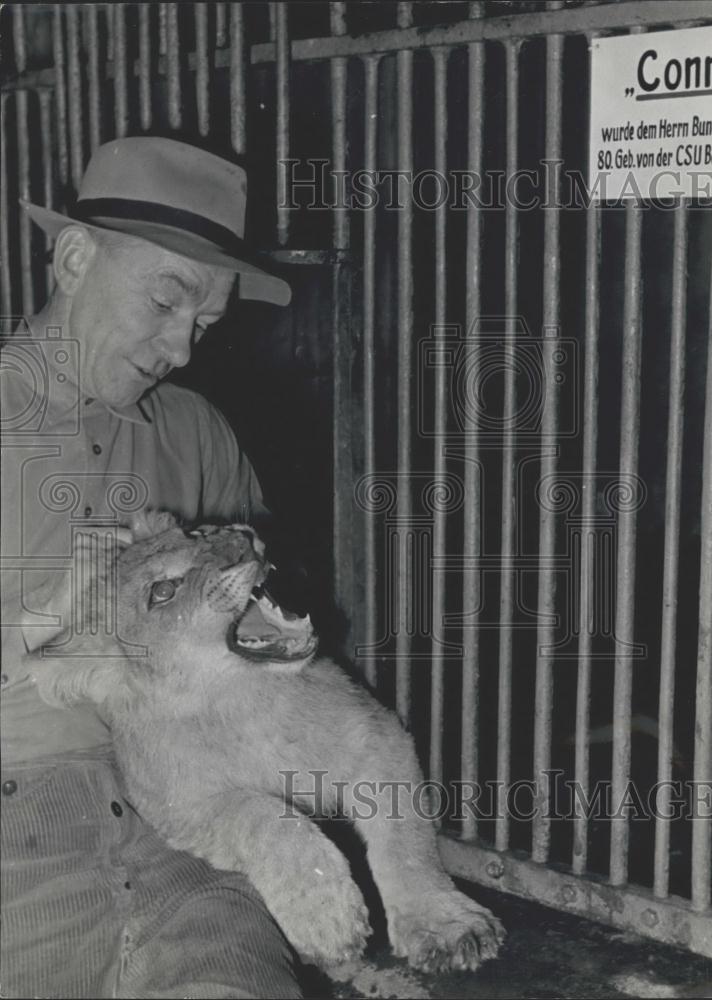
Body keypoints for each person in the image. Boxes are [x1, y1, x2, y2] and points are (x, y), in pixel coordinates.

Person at [0, 137, 303, 998]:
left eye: (205, 325)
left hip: (183, 823)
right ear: (72, 257)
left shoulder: (197, 433)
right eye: (165, 302)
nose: (181, 347)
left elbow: (270, 651)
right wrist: (48, 628)